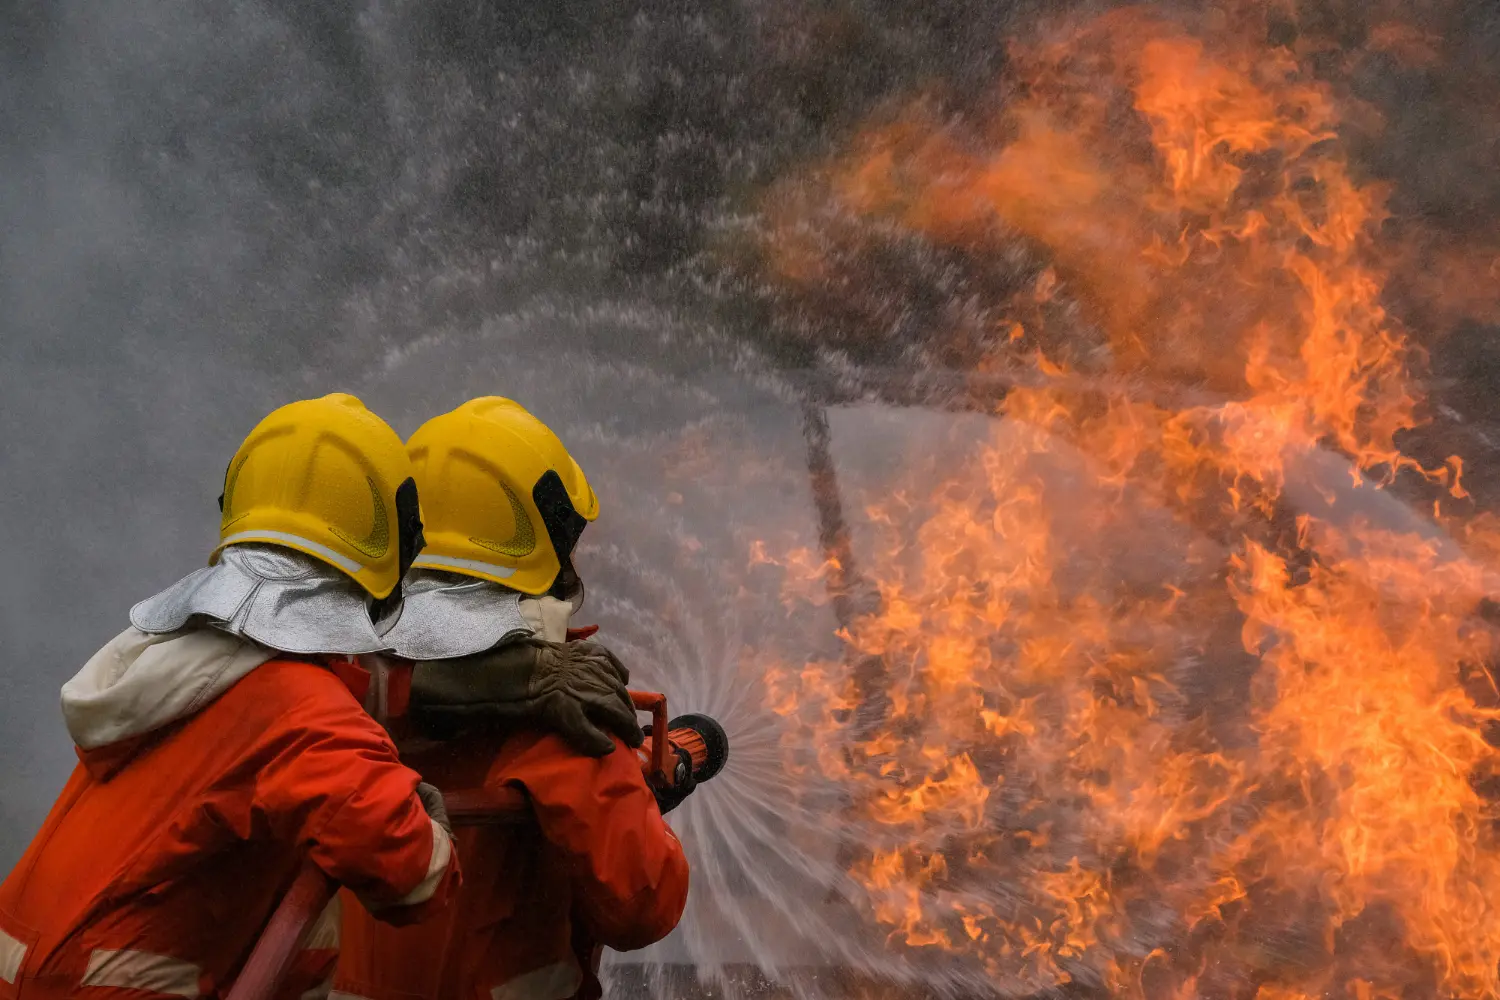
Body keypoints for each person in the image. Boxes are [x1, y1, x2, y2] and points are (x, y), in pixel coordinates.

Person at [0, 394, 460, 1000]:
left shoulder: (180, 663)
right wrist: (428, 816)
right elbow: (411, 873)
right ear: (386, 548)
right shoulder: (299, 706)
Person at [334, 397, 692, 1000]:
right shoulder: (564, 718)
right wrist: (642, 795)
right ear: (541, 542)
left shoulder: (332, 694)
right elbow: (642, 902)